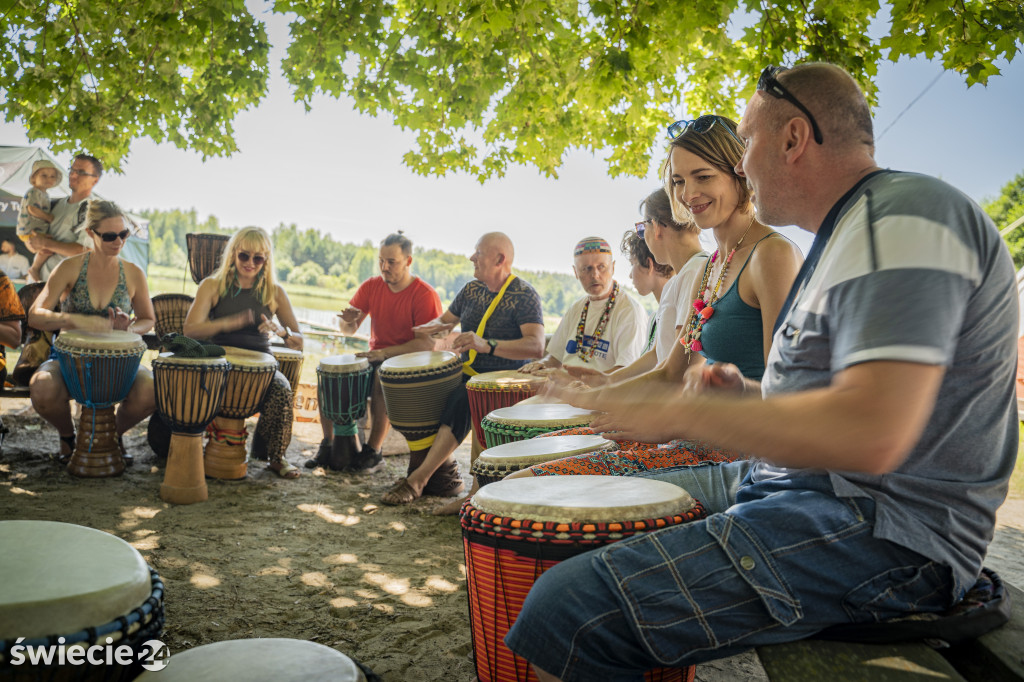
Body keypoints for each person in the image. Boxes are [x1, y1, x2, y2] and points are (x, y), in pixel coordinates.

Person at [505, 63, 1019, 680]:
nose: (742, 166)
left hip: (884, 534)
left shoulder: (901, 215)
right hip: (800, 488)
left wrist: (688, 411)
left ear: (794, 138)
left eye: (744, 144)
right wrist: (745, 392)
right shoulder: (850, 233)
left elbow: (873, 430)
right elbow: (838, 395)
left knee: (568, 608)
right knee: (580, 510)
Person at [513, 118, 802, 478]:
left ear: (740, 171)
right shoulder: (713, 265)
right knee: (524, 476)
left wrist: (673, 425)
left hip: (744, 457)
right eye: (679, 181)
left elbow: (787, 396)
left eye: (703, 177)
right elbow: (670, 372)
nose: (687, 194)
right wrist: (589, 397)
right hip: (696, 438)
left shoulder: (772, 255)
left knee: (529, 482)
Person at [380, 231, 545, 505]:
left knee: (461, 398)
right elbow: (444, 321)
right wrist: (419, 329)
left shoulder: (524, 295)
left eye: (478, 253)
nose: (472, 258)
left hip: (506, 382)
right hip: (470, 374)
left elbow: (535, 346)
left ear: (499, 259)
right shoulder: (471, 289)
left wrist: (486, 345)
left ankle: (419, 480)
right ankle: (439, 476)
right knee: (439, 396)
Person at [167, 226, 304, 479]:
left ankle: (276, 457)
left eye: (258, 258)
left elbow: (299, 342)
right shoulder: (212, 285)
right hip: (219, 360)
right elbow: (190, 329)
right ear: (233, 253)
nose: (250, 263)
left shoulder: (275, 292)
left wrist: (280, 332)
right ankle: (185, 443)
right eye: (244, 256)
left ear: (266, 260)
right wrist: (229, 323)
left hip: (261, 367)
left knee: (283, 392)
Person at [28, 201, 156, 465]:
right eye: (109, 236)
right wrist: (75, 321)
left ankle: (111, 434)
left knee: (151, 390)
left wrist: (129, 328)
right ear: (90, 233)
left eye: (123, 234)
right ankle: (68, 436)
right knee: (41, 387)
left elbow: (148, 320)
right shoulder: (69, 267)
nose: (118, 241)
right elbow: (35, 315)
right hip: (68, 360)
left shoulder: (133, 273)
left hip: (119, 362)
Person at [307, 231, 443, 473]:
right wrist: (348, 321)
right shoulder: (371, 286)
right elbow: (348, 330)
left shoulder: (425, 294)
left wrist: (384, 353)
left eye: (392, 262)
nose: (384, 267)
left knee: (382, 376)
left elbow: (425, 345)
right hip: (378, 356)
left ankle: (374, 452)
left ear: (408, 261)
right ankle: (328, 445)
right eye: (381, 260)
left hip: (412, 363)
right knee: (330, 374)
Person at [521, 237, 647, 374]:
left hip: (602, 393)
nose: (595, 275)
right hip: (566, 390)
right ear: (575, 272)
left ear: (613, 267)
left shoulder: (630, 312)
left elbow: (626, 372)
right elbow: (555, 358)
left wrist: (574, 380)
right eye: (586, 269)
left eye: (601, 267)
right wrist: (542, 363)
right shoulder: (576, 308)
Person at [28, 154, 102, 282]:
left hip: (62, 291)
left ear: (95, 180)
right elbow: (35, 238)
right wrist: (33, 243)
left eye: (81, 172)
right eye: (72, 170)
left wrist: (46, 243)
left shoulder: (93, 210)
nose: (73, 175)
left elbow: (86, 253)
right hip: (34, 286)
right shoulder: (54, 204)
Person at [16, 160, 62, 282]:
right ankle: (34, 269)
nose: (48, 178)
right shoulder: (34, 192)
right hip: (29, 229)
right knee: (46, 249)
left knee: (49, 246)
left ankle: (37, 268)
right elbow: (32, 209)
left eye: (52, 176)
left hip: (36, 229)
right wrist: (48, 217)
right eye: (44, 175)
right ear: (34, 178)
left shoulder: (44, 194)